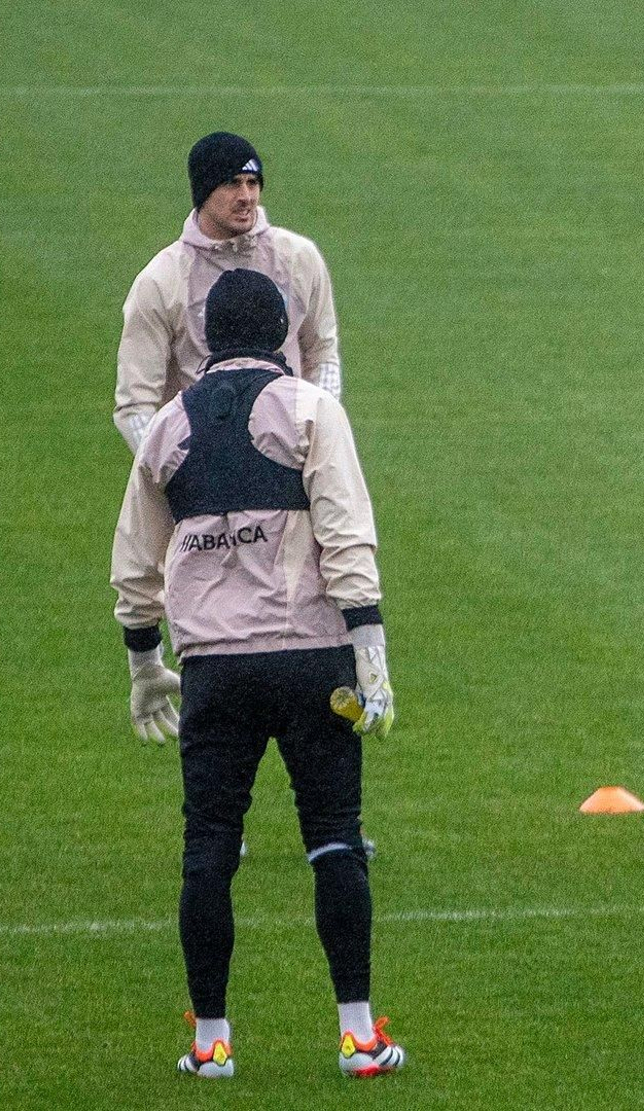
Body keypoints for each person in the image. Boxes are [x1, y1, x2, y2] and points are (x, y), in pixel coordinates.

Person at [110, 268, 404, 1079]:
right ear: (281, 335)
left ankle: (211, 1042)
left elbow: (135, 558)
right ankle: (357, 1035)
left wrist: (144, 660)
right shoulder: (312, 408)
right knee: (336, 838)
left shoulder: (168, 423)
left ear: (204, 341)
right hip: (313, 660)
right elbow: (345, 530)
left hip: (214, 670)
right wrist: (369, 644)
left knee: (207, 849)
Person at [113, 130, 342, 455]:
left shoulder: (298, 259)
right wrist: (181, 469)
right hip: (204, 467)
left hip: (289, 461)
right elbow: (135, 404)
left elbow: (322, 354)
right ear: (204, 192)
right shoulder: (161, 280)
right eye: (232, 183)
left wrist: (320, 439)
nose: (246, 196)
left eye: (253, 182)